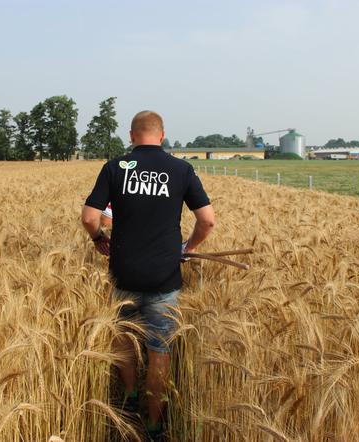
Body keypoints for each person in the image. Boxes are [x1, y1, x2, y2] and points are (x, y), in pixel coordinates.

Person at [81, 110, 215, 440]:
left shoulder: (115, 168)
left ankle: (128, 401)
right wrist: (189, 247)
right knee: (159, 350)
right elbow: (208, 220)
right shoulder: (181, 169)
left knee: (124, 339)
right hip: (164, 278)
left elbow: (89, 217)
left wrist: (100, 239)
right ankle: (154, 425)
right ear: (163, 135)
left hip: (123, 274)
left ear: (131, 136)